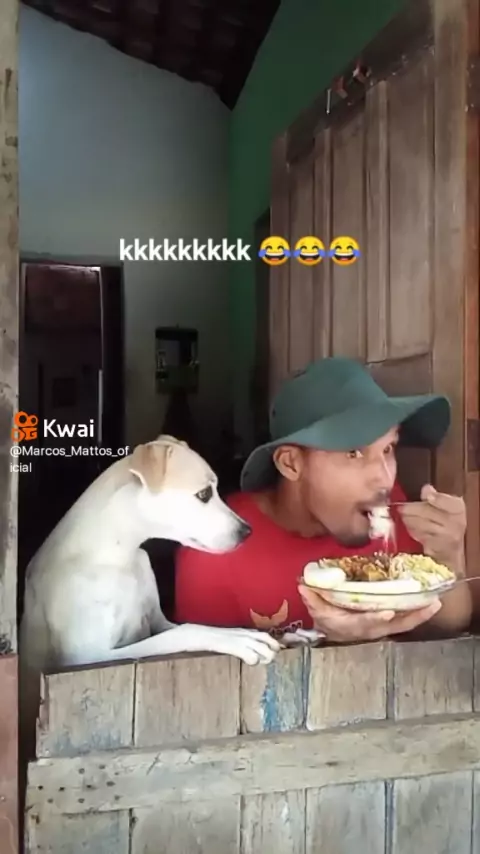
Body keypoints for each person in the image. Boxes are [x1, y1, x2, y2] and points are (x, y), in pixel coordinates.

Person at [174, 358, 472, 643]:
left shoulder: (392, 511)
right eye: (353, 452)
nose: (384, 478)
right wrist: (328, 641)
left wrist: (449, 556)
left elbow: (447, 623)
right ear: (291, 464)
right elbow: (203, 674)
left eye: (388, 448)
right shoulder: (215, 552)